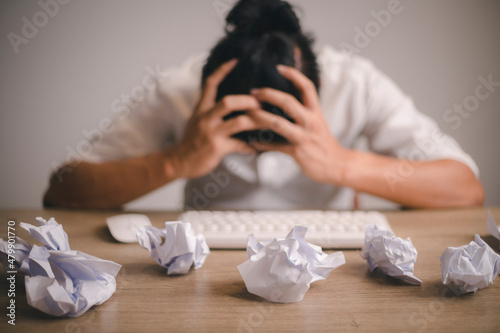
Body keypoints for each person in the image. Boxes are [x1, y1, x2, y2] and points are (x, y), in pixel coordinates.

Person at [43, 0, 484, 210]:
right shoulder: (178, 88)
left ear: (317, 87)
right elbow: (63, 191)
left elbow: (465, 189)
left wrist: (341, 165)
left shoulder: (356, 82)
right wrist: (176, 160)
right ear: (207, 93)